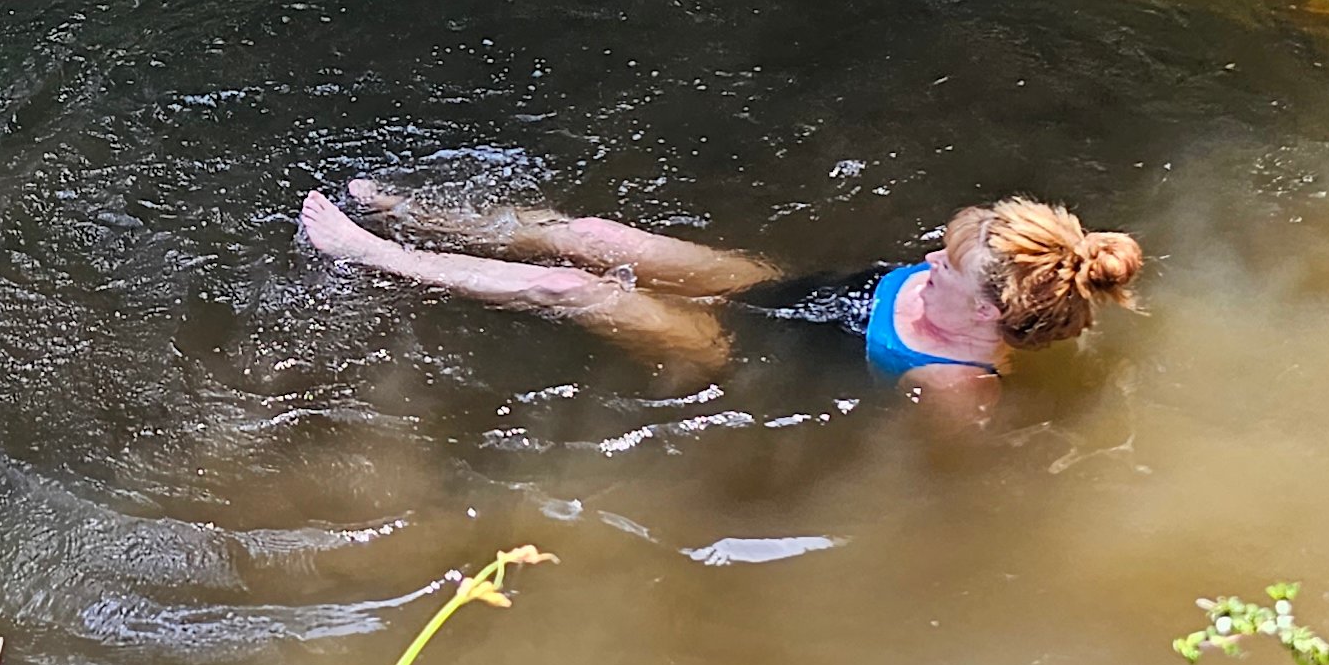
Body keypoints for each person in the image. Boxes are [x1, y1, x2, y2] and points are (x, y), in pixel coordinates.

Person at [298, 179, 1140, 405]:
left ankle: (369, 253)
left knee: (570, 288)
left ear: (986, 311)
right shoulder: (980, 288)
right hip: (786, 293)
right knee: (597, 239)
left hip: (741, 355)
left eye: (945, 263)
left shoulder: (956, 383)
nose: (927, 255)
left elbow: (967, 479)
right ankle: (411, 213)